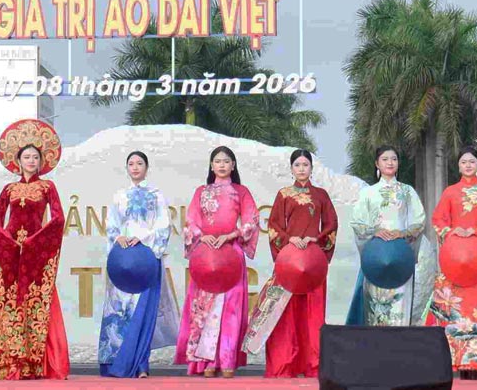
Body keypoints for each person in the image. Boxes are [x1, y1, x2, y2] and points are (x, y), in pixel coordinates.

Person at [0, 119, 70, 380]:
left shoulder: (48, 187)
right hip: (11, 253)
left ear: (41, 161)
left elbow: (57, 219)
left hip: (35, 253)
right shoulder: (9, 188)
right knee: (10, 304)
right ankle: (11, 361)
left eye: (35, 157)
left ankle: (34, 363)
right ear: (18, 161)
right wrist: (7, 241)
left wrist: (35, 241)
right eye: (26, 156)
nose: (31, 161)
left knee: (34, 303)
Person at [246, 149, 338, 378]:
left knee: (313, 314)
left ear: (311, 168)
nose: (301, 169)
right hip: (290, 261)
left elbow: (332, 224)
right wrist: (289, 239)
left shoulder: (321, 195)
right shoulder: (284, 194)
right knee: (286, 315)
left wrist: (314, 239)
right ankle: (286, 364)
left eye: (305, 165)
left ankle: (313, 365)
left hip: (313, 263)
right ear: (291, 169)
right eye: (297, 165)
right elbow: (275, 226)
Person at [174, 146, 259, 378]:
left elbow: (252, 220)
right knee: (205, 308)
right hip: (207, 255)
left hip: (231, 254)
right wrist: (203, 235)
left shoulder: (241, 192)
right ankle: (207, 361)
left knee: (231, 308)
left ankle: (227, 359)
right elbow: (190, 221)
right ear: (211, 166)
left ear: (233, 165)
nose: (221, 165)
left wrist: (231, 235)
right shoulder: (201, 191)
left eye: (226, 161)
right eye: (217, 161)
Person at [425, 146, 477, 380]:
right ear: (458, 166)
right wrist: (452, 231)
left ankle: (473, 365)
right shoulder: (450, 192)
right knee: (451, 310)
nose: (468, 165)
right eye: (463, 162)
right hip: (453, 263)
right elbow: (438, 219)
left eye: (472, 161)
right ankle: (450, 362)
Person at [98, 151, 180, 378]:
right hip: (123, 261)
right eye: (131, 164)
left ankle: (141, 365)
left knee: (142, 313)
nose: (135, 167)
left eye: (139, 163)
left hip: (145, 260)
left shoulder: (156, 195)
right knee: (120, 312)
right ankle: (116, 364)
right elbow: (112, 225)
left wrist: (142, 239)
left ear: (147, 167)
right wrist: (118, 238)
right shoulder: (119, 195)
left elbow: (163, 226)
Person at [346, 145, 426, 326]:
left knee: (400, 305)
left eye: (394, 159)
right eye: (385, 159)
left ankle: (399, 349)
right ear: (377, 163)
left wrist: (403, 233)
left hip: (400, 259)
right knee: (376, 308)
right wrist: (375, 231)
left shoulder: (408, 192)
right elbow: (357, 223)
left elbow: (419, 221)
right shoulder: (368, 193)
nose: (390, 162)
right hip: (377, 258)